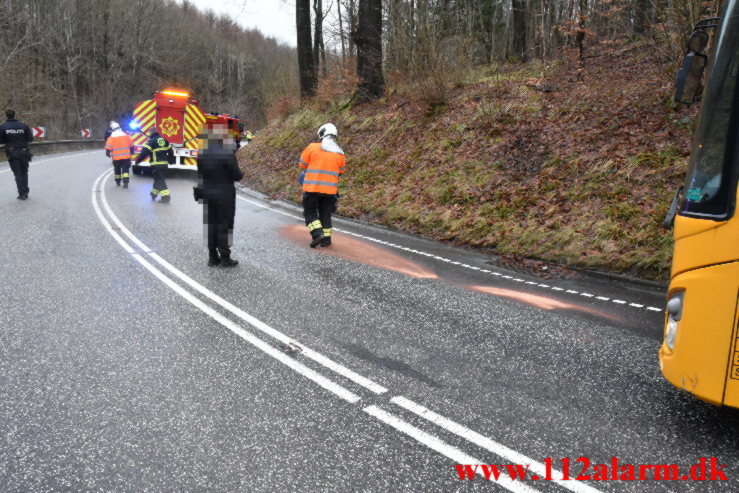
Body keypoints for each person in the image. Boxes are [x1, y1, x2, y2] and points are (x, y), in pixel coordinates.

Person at [195, 124, 244, 267]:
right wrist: (241, 174)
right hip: (225, 194)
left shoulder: (202, 153)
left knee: (211, 224)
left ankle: (212, 257)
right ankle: (225, 257)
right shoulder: (227, 153)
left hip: (208, 192)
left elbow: (200, 173)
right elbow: (236, 175)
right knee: (224, 224)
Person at [299, 123, 345, 248]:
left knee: (310, 212)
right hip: (330, 192)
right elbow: (341, 172)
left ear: (322, 134)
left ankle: (317, 234)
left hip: (312, 189)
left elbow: (302, 164)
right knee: (325, 214)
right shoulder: (340, 153)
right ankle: (326, 240)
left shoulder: (312, 147)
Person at [0, 109, 34, 200]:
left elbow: (1, 140)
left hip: (12, 153)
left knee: (17, 174)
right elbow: (30, 139)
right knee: (24, 172)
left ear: (6, 115)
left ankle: (21, 193)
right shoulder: (24, 125)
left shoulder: (2, 127)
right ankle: (26, 191)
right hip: (24, 152)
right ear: (15, 115)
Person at [134, 129, 174, 202]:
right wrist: (171, 161)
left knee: (160, 180)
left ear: (150, 133)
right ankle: (153, 194)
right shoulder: (164, 140)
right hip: (164, 164)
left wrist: (137, 161)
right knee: (158, 179)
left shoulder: (151, 141)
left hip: (156, 164)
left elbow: (144, 153)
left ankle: (166, 197)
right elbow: (171, 151)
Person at [104, 121, 134, 188]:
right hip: (126, 157)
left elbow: (108, 147)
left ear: (112, 129)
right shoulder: (126, 136)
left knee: (117, 170)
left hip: (116, 158)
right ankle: (126, 182)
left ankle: (118, 182)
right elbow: (132, 145)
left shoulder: (111, 137)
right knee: (125, 169)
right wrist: (132, 152)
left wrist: (108, 154)